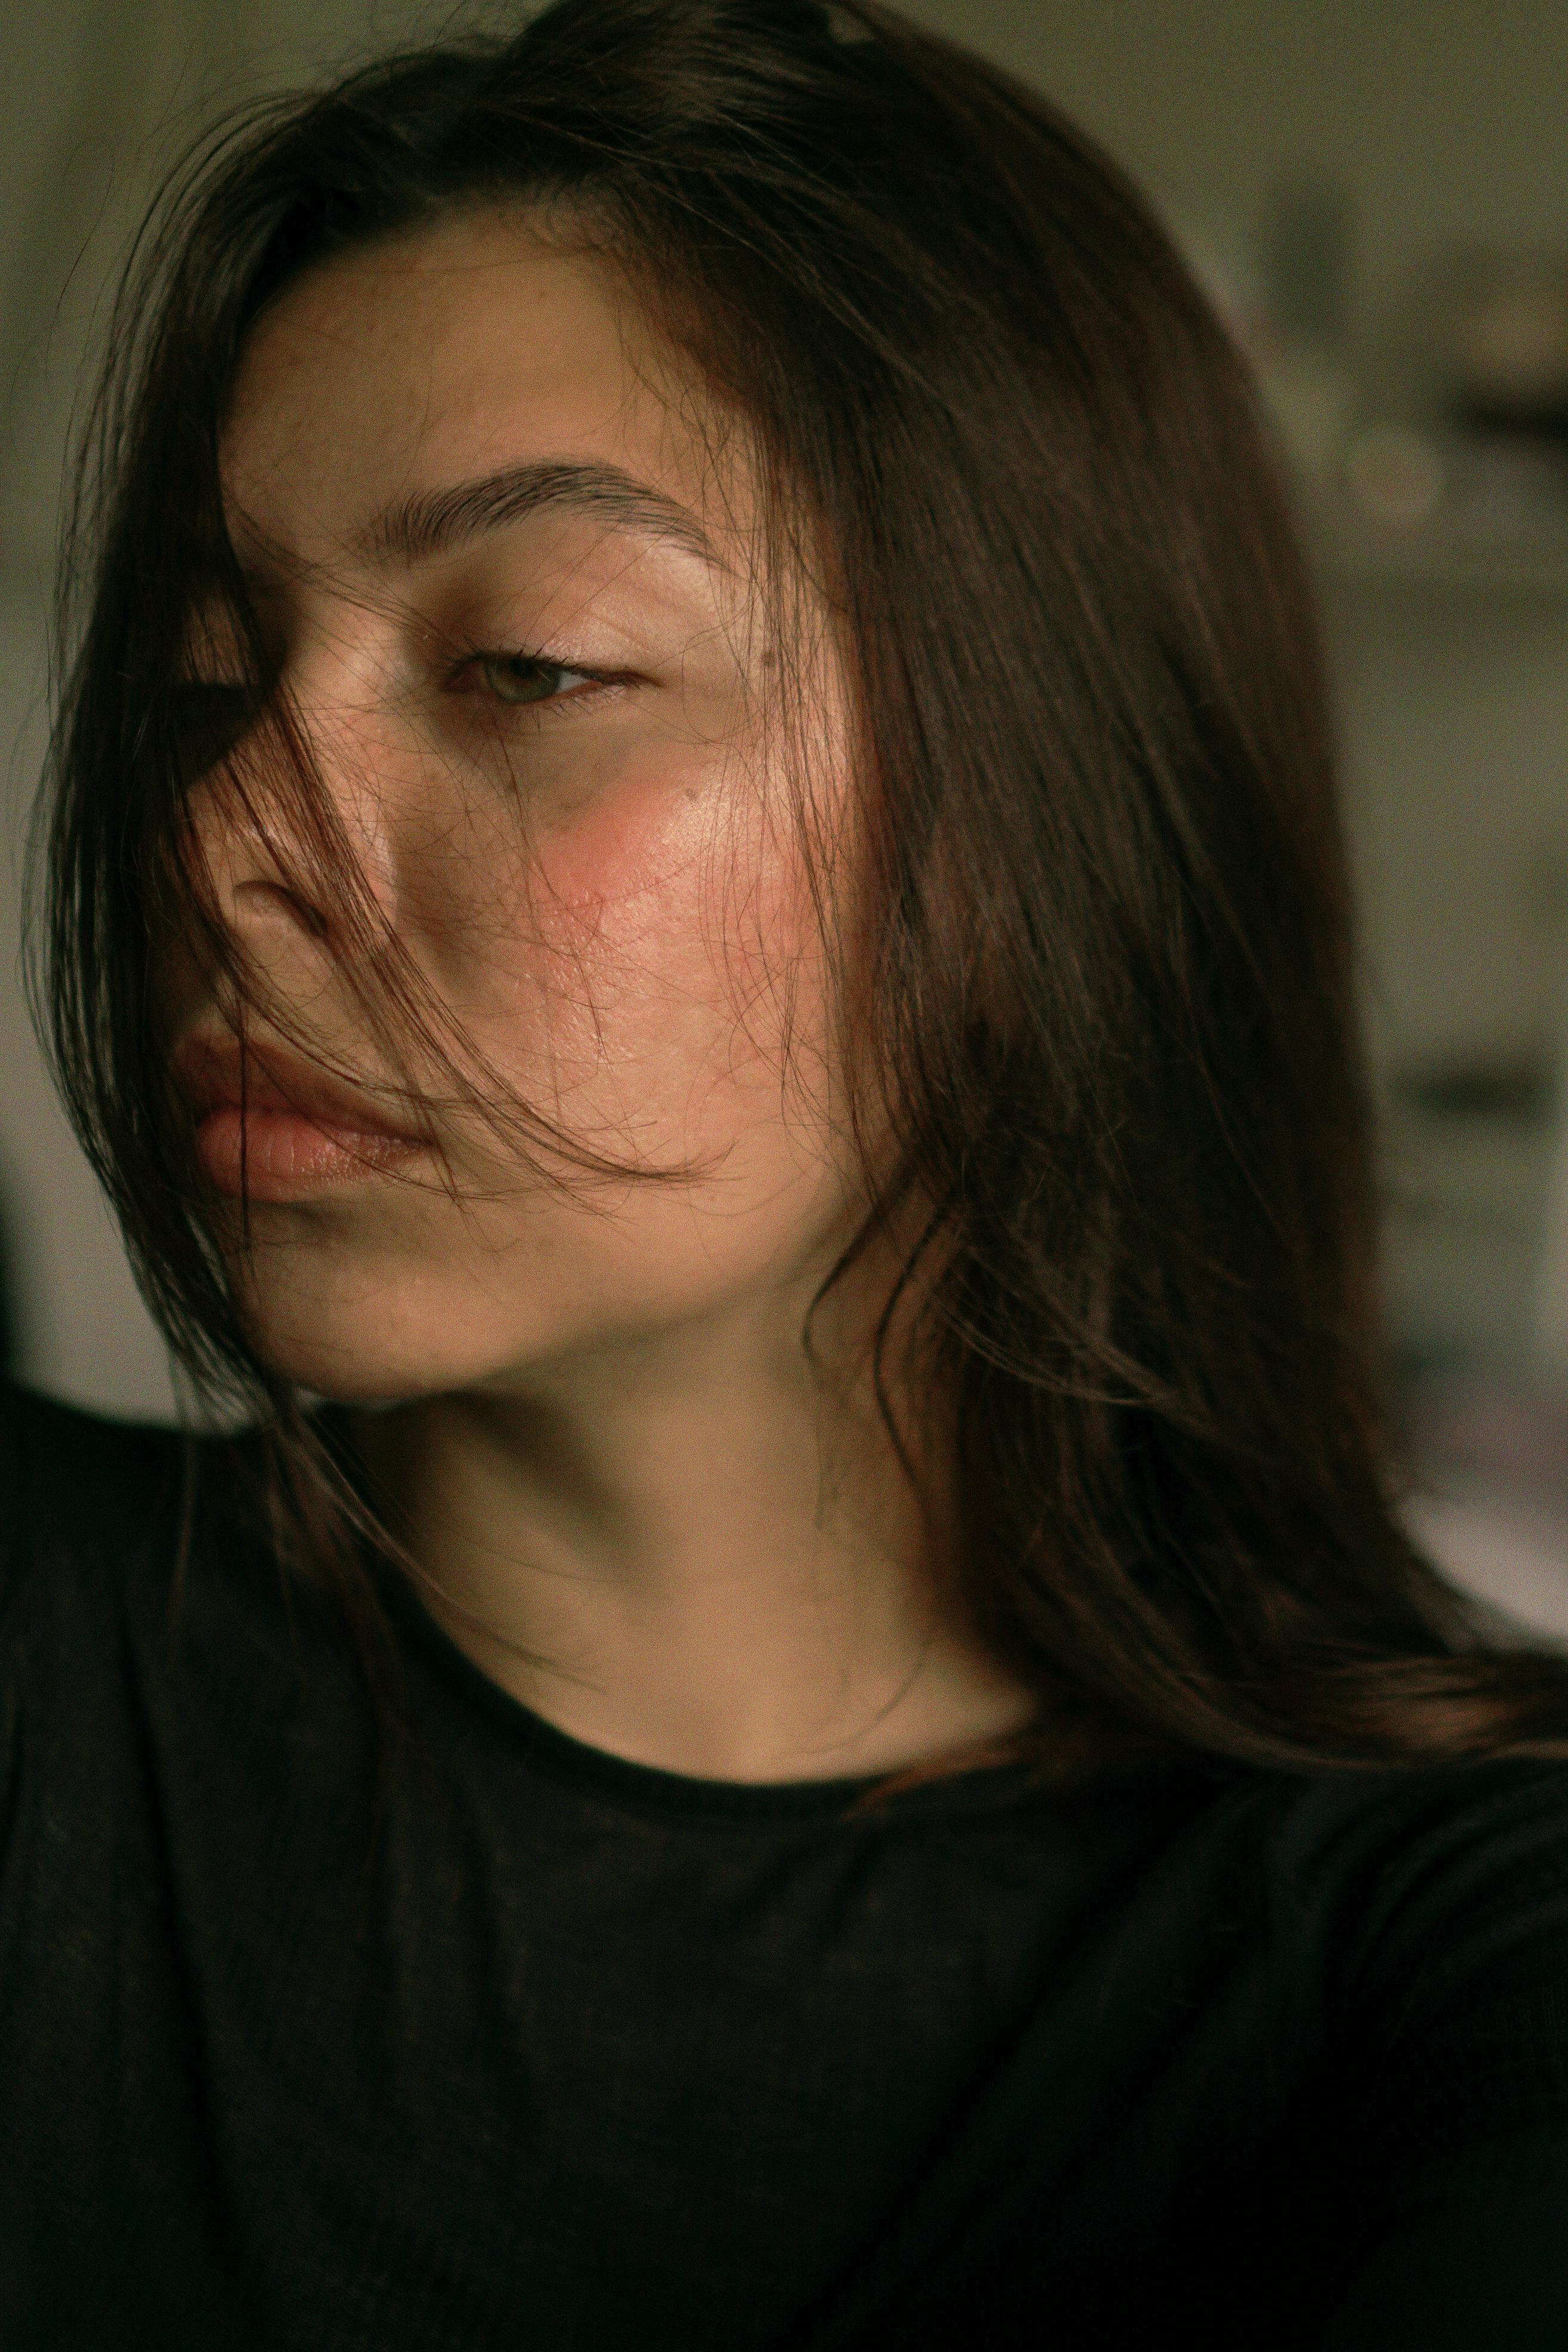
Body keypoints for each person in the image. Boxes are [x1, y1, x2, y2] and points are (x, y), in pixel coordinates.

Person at [4, 2, 1567, 2343]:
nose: (227, 840)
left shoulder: (1458, 1932)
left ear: (1049, 814)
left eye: (523, 667)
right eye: (209, 677)